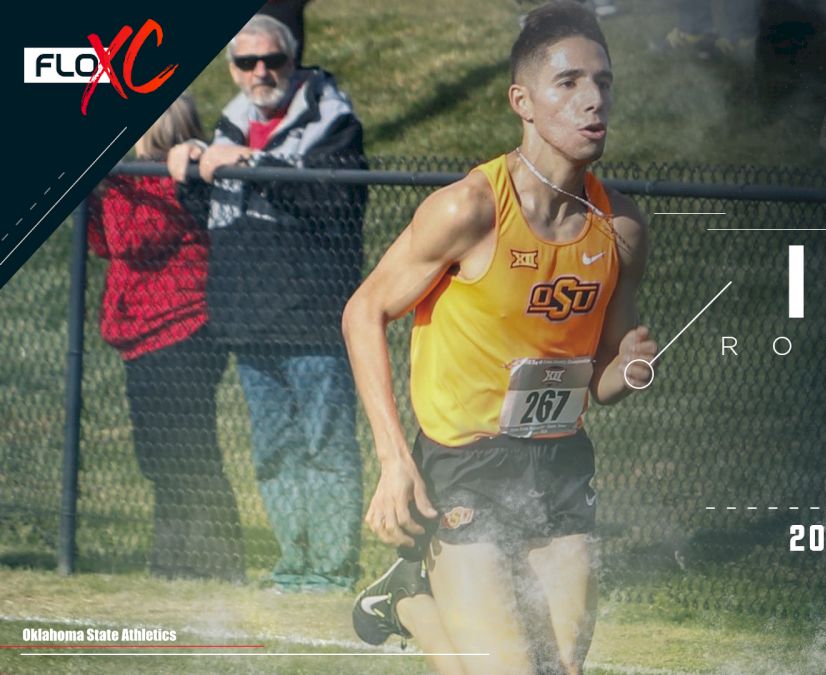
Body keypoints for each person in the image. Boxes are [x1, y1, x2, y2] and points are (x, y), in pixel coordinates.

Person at [343, 3, 656, 672]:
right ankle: (412, 598)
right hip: (467, 465)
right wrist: (394, 461)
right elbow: (363, 311)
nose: (593, 99)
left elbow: (603, 381)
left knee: (560, 668)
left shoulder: (621, 228)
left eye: (603, 82)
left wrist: (628, 369)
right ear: (523, 102)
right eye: (568, 82)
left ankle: (406, 600)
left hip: (559, 462)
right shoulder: (472, 208)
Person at [168, 14, 366, 593]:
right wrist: (191, 171)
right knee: (275, 453)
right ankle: (293, 567)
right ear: (232, 69)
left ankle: (330, 570)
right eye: (247, 62)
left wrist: (251, 164)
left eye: (273, 60)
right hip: (249, 323)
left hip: (314, 321)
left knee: (326, 449)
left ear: (293, 61)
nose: (261, 72)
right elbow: (213, 219)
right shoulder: (231, 126)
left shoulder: (335, 122)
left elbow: (334, 202)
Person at [89, 94, 244, 581]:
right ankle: (173, 560)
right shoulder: (130, 180)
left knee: (189, 449)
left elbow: (135, 237)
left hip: (181, 328)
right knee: (159, 454)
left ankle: (219, 563)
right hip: (140, 332)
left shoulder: (176, 176)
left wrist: (105, 186)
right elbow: (104, 243)